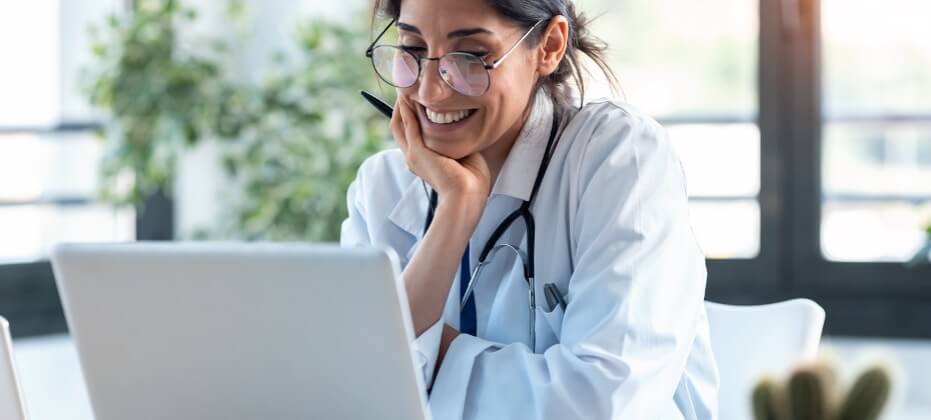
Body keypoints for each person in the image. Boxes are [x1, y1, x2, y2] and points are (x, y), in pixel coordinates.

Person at [340, 0, 719, 418]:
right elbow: (353, 396)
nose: (430, 90)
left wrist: (428, 357)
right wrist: (457, 209)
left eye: (471, 57)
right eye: (411, 51)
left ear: (549, 46)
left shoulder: (617, 156)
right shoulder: (382, 187)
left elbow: (603, 405)